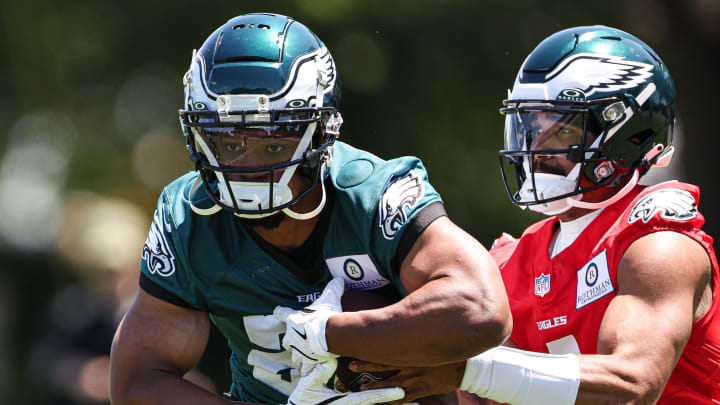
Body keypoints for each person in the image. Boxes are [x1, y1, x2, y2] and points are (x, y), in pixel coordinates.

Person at [109, 12, 512, 405]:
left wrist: (332, 334)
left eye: (273, 144)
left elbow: (481, 309)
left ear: (322, 132)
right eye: (229, 144)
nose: (250, 167)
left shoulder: (371, 193)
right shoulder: (188, 216)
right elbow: (138, 381)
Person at [348, 26, 720, 404]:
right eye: (530, 127)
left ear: (628, 134)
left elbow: (631, 385)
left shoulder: (658, 245)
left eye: (560, 130)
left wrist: (468, 370)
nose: (535, 150)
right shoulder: (515, 260)